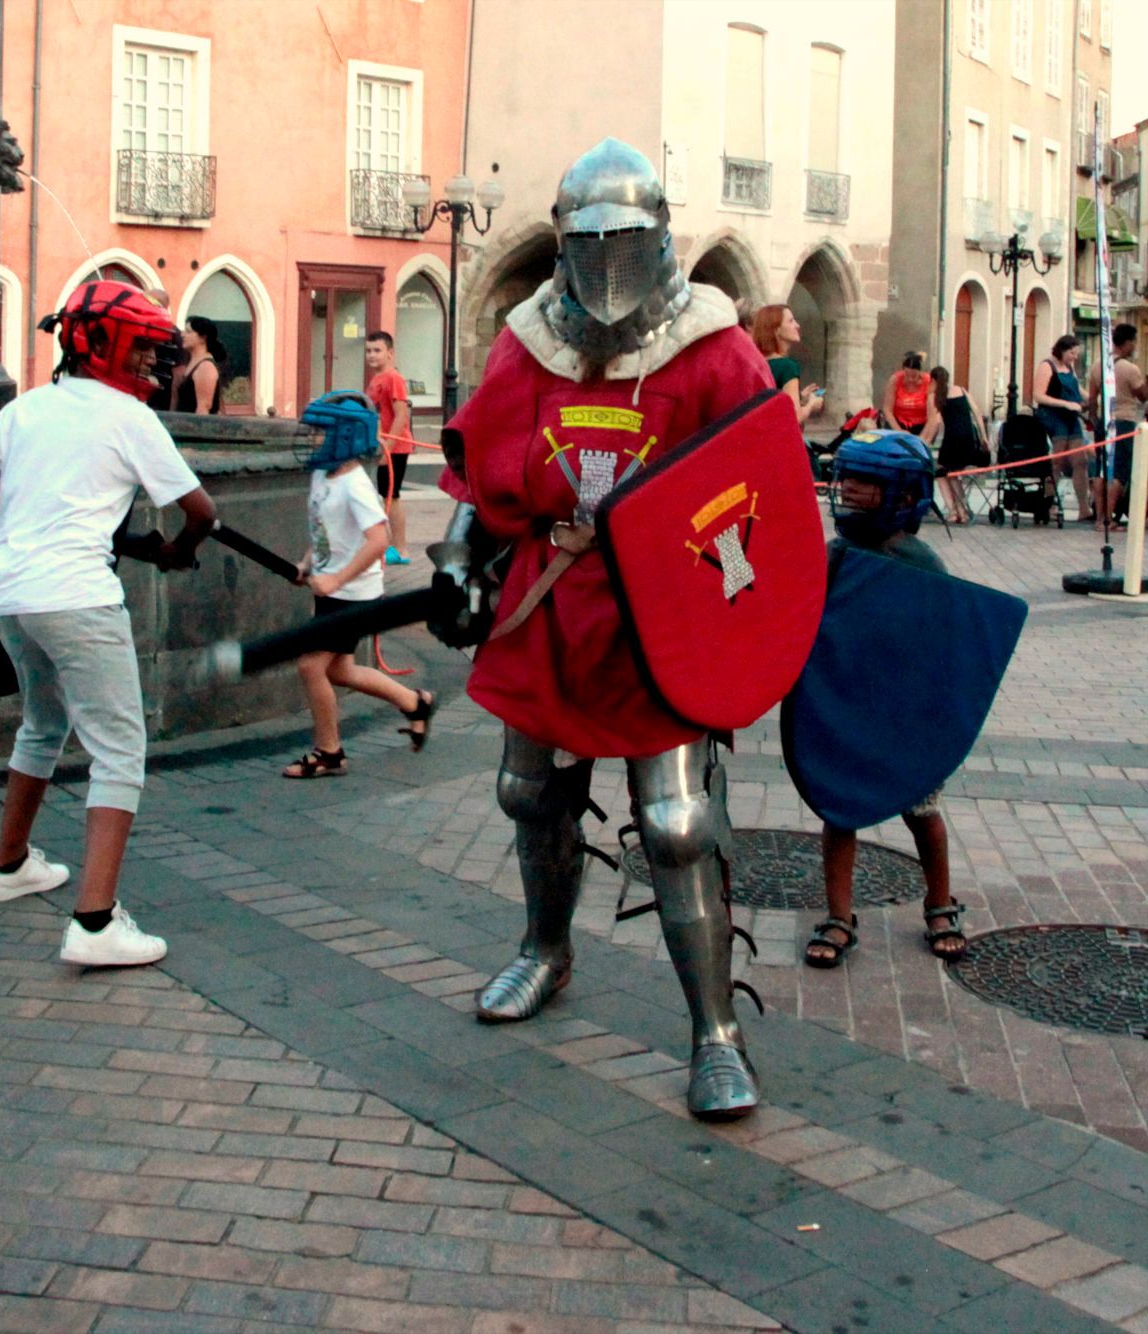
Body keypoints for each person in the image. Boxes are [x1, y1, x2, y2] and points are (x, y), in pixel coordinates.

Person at [432, 138, 775, 1120]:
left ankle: (715, 1032)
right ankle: (544, 947)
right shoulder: (528, 339)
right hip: (552, 596)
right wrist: (458, 556)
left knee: (673, 824)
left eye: (625, 238)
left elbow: (760, 493)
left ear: (658, 235)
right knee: (526, 788)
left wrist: (739, 607)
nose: (608, 260)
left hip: (659, 613)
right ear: (561, 239)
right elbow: (485, 471)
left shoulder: (712, 345)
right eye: (590, 240)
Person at [0, 278, 217, 967]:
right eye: (145, 352)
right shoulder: (130, 420)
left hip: (10, 594)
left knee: (42, 724)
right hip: (78, 598)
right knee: (120, 750)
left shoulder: (28, 408)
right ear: (103, 347)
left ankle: (8, 867)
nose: (155, 365)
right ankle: (95, 925)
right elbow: (202, 511)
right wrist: (176, 553)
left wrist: (40, 497)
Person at [802, 432, 969, 969]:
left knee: (922, 811)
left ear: (902, 495)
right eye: (845, 478)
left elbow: (944, 648)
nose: (847, 489)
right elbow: (801, 618)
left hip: (905, 716)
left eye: (864, 483)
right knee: (839, 810)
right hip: (848, 709)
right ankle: (839, 915)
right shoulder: (836, 558)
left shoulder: (921, 566)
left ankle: (940, 903)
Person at [279, 392, 435, 779]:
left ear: (344, 436)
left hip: (354, 595)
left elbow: (379, 541)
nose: (313, 438)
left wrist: (336, 578)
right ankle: (414, 703)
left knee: (311, 666)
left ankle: (329, 752)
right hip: (333, 592)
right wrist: (307, 563)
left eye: (321, 432)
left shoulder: (356, 485)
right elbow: (323, 532)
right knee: (340, 671)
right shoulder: (321, 474)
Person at [365, 330, 414, 565]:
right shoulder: (376, 379)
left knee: (391, 497)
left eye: (377, 350)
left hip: (395, 448)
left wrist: (388, 447)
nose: (372, 355)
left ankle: (401, 550)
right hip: (382, 447)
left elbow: (401, 415)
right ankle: (389, 546)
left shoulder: (393, 378)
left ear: (390, 353)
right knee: (385, 495)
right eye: (368, 351)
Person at [1031, 334, 1091, 520]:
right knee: (1056, 463)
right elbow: (1038, 395)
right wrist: (1064, 404)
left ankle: (1083, 507)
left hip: (1071, 418)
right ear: (1063, 350)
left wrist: (1093, 399)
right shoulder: (1047, 366)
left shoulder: (1069, 368)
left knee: (1080, 461)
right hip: (1054, 417)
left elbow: (1079, 391)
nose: (1075, 357)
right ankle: (1048, 503)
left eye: (1076, 353)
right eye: (1072, 353)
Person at [927, 365, 986, 524]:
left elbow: (935, 423)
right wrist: (983, 436)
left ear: (933, 380)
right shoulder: (961, 390)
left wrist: (927, 442)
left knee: (945, 473)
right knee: (949, 473)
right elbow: (977, 413)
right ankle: (959, 510)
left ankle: (958, 511)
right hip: (968, 440)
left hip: (952, 440)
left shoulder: (935, 396)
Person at [749, 304, 823, 426]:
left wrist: (800, 397)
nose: (797, 325)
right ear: (776, 329)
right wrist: (811, 405)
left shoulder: (755, 362)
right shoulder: (787, 367)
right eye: (791, 321)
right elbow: (794, 417)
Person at [1110, 324, 1147, 521]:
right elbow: (1143, 396)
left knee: (1104, 469)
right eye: (1134, 341)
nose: (1135, 346)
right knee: (1123, 470)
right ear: (1128, 342)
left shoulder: (1101, 364)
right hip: (1125, 420)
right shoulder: (1131, 369)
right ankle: (1112, 515)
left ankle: (1103, 516)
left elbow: (1091, 399)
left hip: (1105, 421)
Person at [169, 315, 224, 414]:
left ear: (203, 338)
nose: (182, 334)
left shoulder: (205, 367)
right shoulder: (190, 363)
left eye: (188, 332)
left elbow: (203, 409)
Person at [881, 351, 933, 439]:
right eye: (907, 375)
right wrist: (898, 431)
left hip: (921, 425)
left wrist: (923, 437)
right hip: (898, 422)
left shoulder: (928, 382)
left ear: (920, 372)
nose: (910, 380)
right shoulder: (895, 380)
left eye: (914, 376)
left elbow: (933, 416)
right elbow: (887, 409)